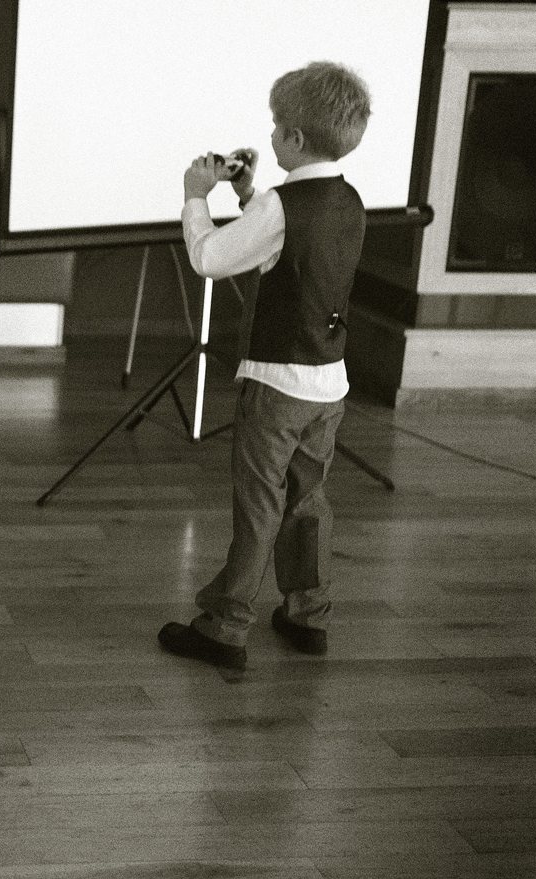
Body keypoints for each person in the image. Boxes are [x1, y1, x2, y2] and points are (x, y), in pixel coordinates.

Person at [158, 61, 371, 670]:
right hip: (329, 384)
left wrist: (196, 195)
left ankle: (224, 629)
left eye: (278, 127)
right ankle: (308, 616)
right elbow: (293, 248)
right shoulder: (349, 198)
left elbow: (209, 258)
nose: (272, 134)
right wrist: (248, 196)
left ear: (295, 138)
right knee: (308, 501)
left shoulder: (281, 205)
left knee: (259, 508)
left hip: (277, 387)